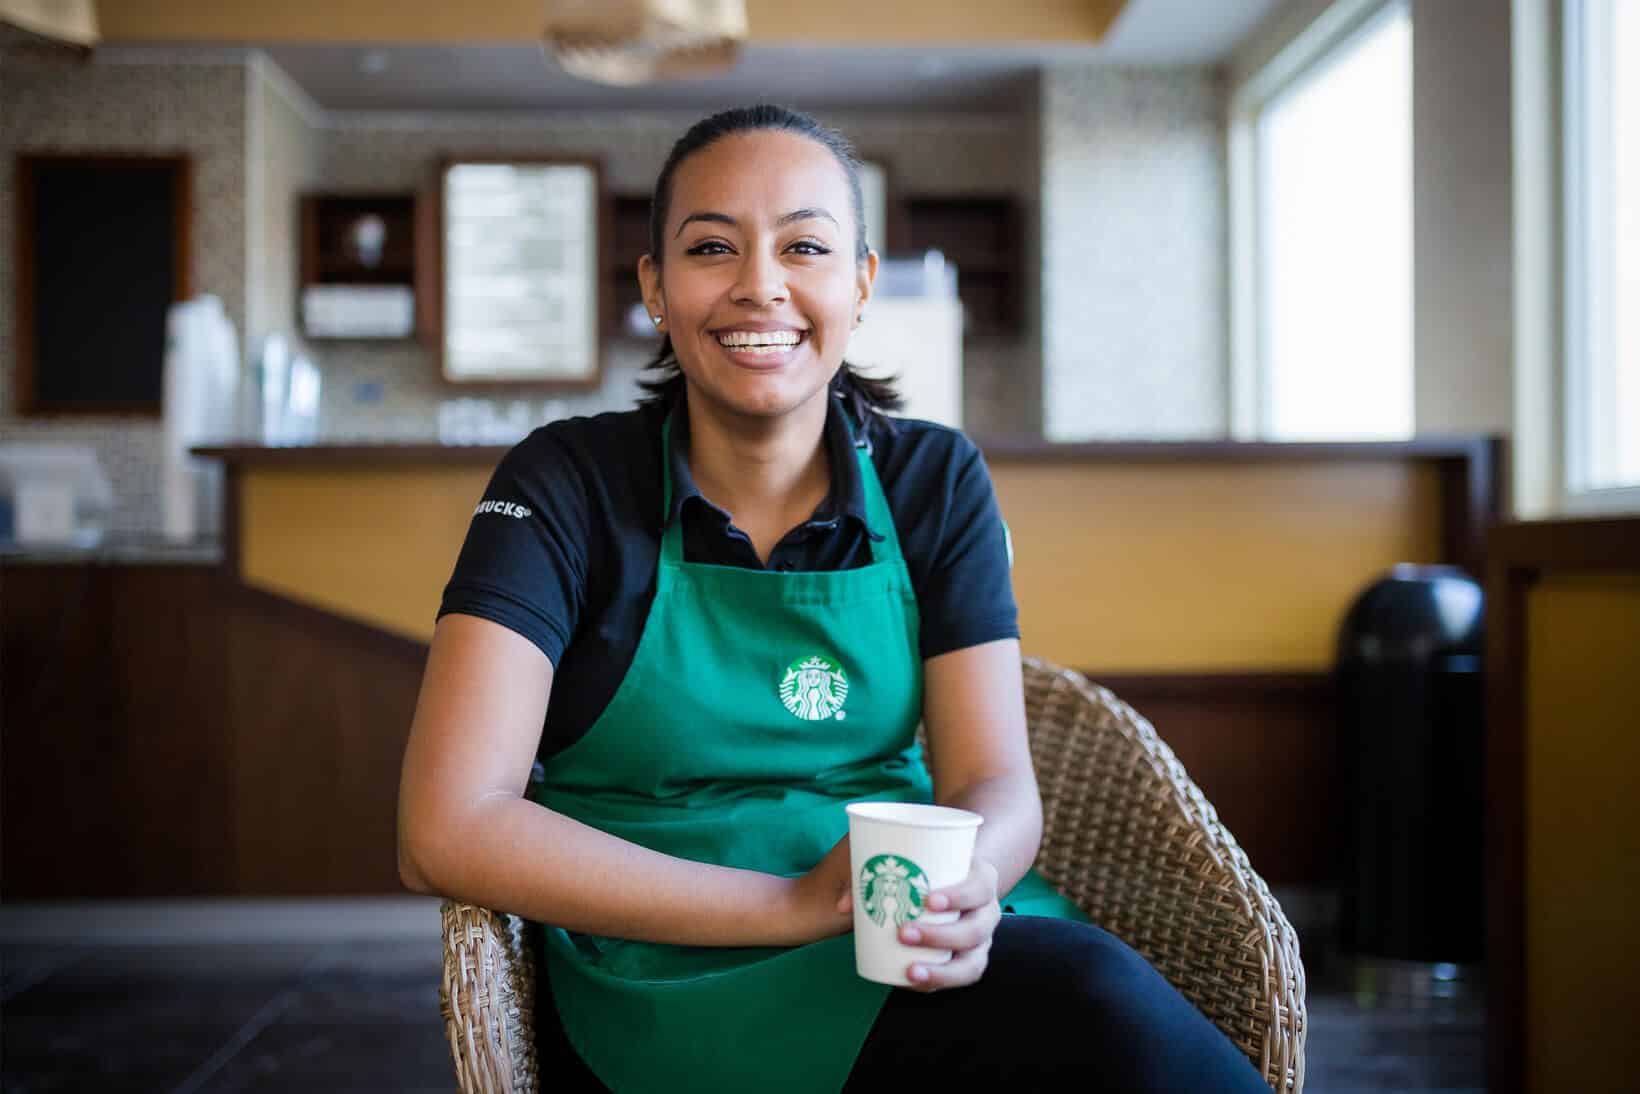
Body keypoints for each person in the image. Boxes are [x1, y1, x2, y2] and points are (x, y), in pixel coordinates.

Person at [397, 104, 1271, 1093]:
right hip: (660, 965)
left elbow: (995, 780)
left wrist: (973, 877)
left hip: (903, 937)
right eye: (710, 246)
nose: (758, 284)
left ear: (858, 282)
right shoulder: (565, 484)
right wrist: (795, 905)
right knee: (1088, 1011)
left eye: (804, 245)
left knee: (1097, 1007)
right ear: (655, 287)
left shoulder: (933, 478)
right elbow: (446, 824)